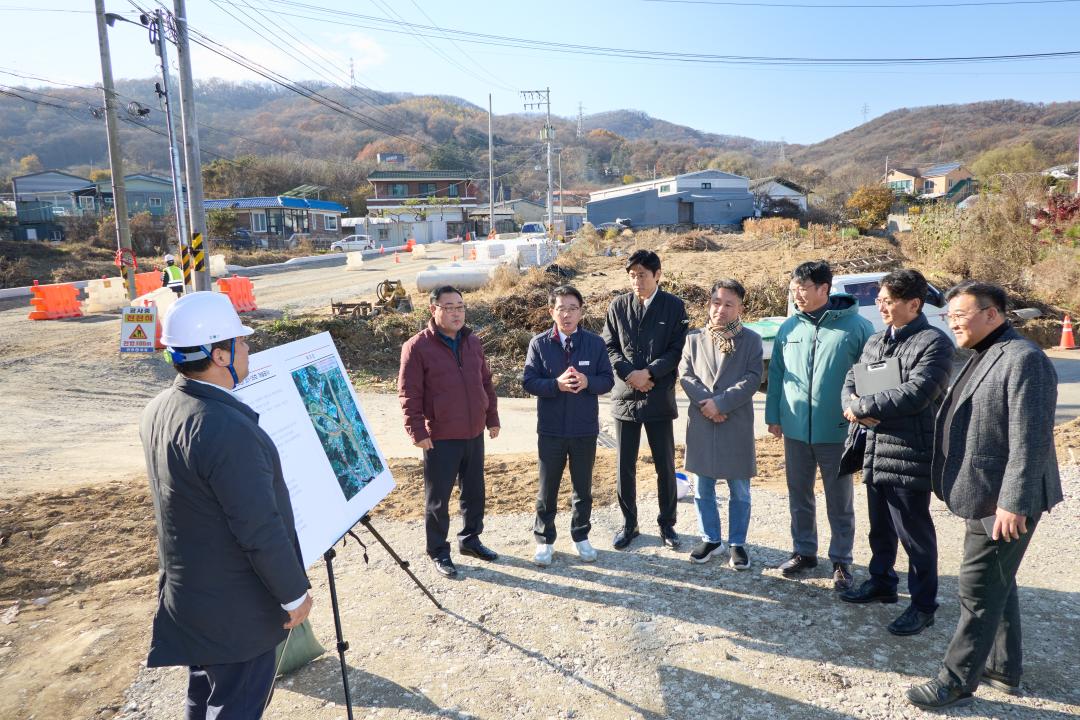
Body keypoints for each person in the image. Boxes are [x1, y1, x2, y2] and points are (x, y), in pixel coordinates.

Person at [141, 291, 312, 719]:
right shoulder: (223, 428)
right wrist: (294, 596)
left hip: (193, 599)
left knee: (203, 696)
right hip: (235, 610)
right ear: (219, 355)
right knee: (236, 705)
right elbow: (258, 527)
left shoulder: (160, 408)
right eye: (242, 342)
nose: (248, 348)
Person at [906, 281, 1062, 710]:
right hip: (983, 493)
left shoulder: (1024, 358)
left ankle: (955, 680)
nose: (952, 322)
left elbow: (1030, 441)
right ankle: (1002, 668)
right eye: (949, 316)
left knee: (976, 589)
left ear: (992, 314)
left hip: (1003, 500)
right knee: (998, 583)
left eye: (960, 315)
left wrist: (1014, 502)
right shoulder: (982, 353)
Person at [839, 269, 954, 636]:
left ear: (914, 304)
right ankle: (882, 582)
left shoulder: (934, 343)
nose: (880, 306)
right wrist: (851, 404)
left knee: (913, 531)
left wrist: (862, 406)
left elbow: (918, 392)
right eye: (880, 299)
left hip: (909, 449)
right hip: (873, 445)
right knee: (881, 526)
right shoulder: (876, 339)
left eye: (888, 301)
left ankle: (923, 604)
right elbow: (851, 380)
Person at [765, 260, 873, 590]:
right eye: (794, 288)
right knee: (799, 493)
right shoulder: (789, 328)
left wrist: (864, 415)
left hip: (837, 430)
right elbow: (778, 375)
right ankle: (804, 551)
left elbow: (868, 377)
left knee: (839, 499)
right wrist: (774, 416)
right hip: (796, 429)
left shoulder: (856, 327)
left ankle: (841, 560)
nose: (797, 294)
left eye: (803, 288)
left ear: (824, 289)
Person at [398, 285, 501, 578]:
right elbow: (409, 395)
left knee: (474, 491)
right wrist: (417, 430)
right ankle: (438, 551)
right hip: (440, 435)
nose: (457, 313)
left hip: (473, 432)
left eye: (460, 306)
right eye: (449, 307)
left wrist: (491, 417)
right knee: (438, 498)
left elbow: (486, 383)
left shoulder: (472, 342)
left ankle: (470, 540)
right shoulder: (417, 347)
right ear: (434, 310)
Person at [603, 249, 689, 550]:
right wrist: (630, 374)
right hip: (625, 395)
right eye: (632, 275)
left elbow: (677, 349)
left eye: (642, 274)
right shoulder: (618, 305)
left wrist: (649, 373)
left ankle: (668, 524)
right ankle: (629, 524)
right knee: (624, 464)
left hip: (657, 393)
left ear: (657, 275)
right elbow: (610, 345)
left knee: (664, 464)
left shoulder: (674, 307)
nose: (636, 280)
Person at [522, 285, 615, 566]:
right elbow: (528, 381)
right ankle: (544, 540)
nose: (567, 314)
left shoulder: (594, 343)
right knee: (546, 489)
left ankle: (580, 536)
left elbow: (608, 380)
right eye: (561, 308)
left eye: (573, 308)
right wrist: (555, 385)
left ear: (581, 311)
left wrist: (588, 382)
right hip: (550, 430)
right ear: (551, 311)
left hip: (584, 429)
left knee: (582, 488)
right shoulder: (539, 344)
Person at [678, 279, 763, 569]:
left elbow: (753, 378)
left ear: (740, 307)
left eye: (729, 304)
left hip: (734, 420)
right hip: (703, 421)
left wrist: (721, 403)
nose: (721, 309)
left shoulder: (751, 339)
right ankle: (710, 538)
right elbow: (686, 375)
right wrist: (708, 404)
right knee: (703, 487)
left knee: (739, 488)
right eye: (716, 302)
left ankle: (737, 543)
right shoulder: (693, 338)